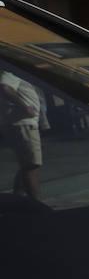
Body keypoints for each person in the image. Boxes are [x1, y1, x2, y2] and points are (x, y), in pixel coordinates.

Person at [1, 69, 44, 200]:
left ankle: (17, 199)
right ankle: (37, 207)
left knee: (26, 165)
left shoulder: (17, 75)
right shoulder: (9, 73)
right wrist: (25, 107)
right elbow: (5, 88)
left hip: (23, 124)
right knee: (32, 167)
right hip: (23, 124)